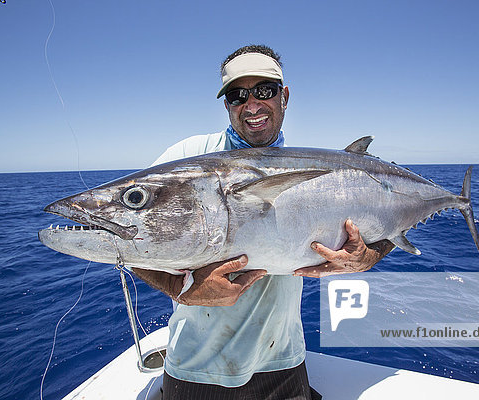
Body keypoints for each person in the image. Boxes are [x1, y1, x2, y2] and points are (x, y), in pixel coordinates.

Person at [133, 44, 394, 400]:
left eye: (264, 91)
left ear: (284, 97)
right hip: (196, 366)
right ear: (227, 104)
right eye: (238, 95)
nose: (252, 105)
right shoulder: (186, 160)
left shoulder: (320, 171)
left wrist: (368, 258)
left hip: (284, 363)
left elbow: (385, 229)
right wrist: (185, 290)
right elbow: (132, 242)